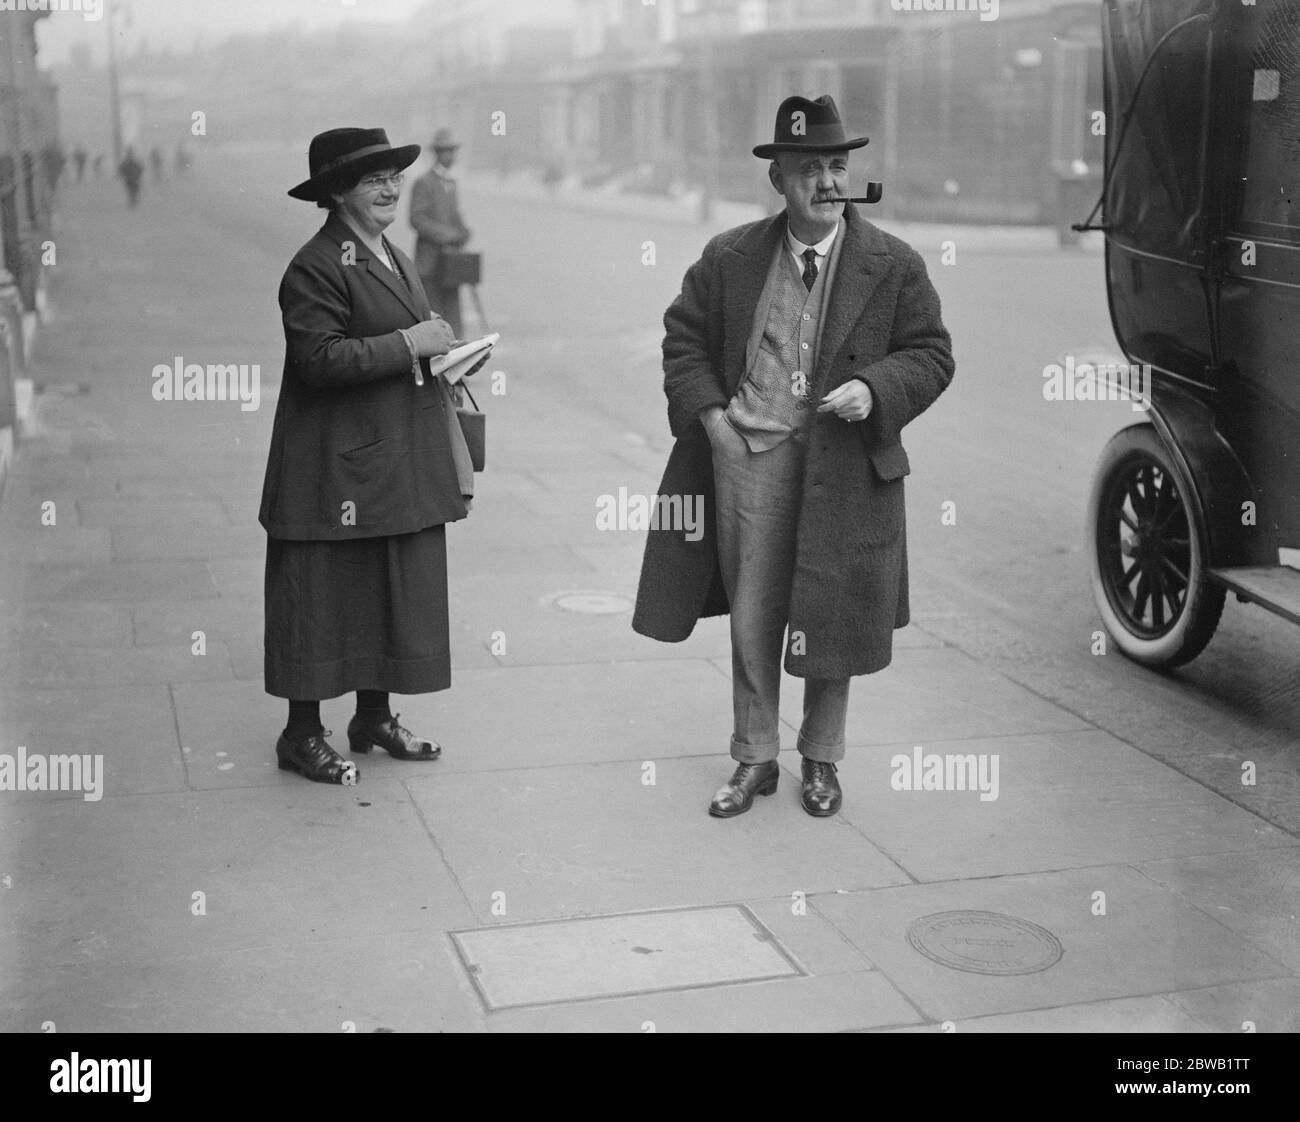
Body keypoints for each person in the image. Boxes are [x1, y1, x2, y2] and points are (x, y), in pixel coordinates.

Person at [633, 95, 955, 819]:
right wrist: (715, 422)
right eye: (810, 168)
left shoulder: (892, 264)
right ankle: (754, 759)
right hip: (750, 456)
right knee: (755, 613)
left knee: (832, 613)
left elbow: (932, 355)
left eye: (838, 166)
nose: (828, 182)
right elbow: (682, 340)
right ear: (777, 179)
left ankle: (821, 761)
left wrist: (876, 389)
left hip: (844, 466)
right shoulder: (730, 256)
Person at [260, 127, 483, 785]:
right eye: (372, 179)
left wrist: (447, 354)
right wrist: (413, 342)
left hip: (389, 455)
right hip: (331, 466)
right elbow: (318, 358)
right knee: (322, 593)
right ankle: (301, 734)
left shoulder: (389, 253)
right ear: (336, 193)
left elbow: (401, 338)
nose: (391, 188)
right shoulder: (315, 264)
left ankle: (372, 717)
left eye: (393, 176)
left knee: (385, 584)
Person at [409, 127, 470, 338]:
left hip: (450, 262)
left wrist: (463, 231)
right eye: (445, 151)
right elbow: (416, 218)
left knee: (453, 310)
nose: (449, 156)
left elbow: (453, 215)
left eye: (452, 151)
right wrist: (446, 235)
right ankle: (435, 363)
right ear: (436, 153)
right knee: (434, 314)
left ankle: (458, 356)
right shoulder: (424, 182)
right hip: (430, 263)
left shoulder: (450, 183)